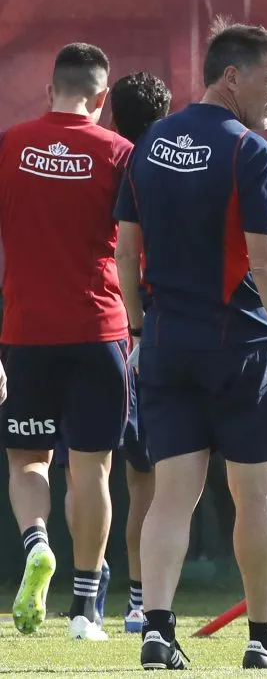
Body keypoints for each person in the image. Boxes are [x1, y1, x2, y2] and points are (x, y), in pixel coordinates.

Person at [114, 18, 267, 670]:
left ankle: (155, 630)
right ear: (231, 75)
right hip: (243, 346)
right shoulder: (251, 153)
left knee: (170, 494)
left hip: (168, 341)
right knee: (256, 495)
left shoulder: (149, 141)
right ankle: (263, 640)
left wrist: (139, 331)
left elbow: (124, 245)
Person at [0, 43, 132, 642]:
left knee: (30, 462)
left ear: (49, 89)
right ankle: (86, 612)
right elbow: (135, 247)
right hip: (99, 328)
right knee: (92, 473)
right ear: (102, 97)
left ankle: (36, 543)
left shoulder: (9, 145)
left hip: (26, 332)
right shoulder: (119, 153)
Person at [52, 70, 172, 635]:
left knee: (100, 472)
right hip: (156, 329)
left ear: (113, 113)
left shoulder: (118, 160)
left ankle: (107, 595)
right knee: (150, 480)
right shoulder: (157, 165)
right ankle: (142, 603)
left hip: (113, 327)